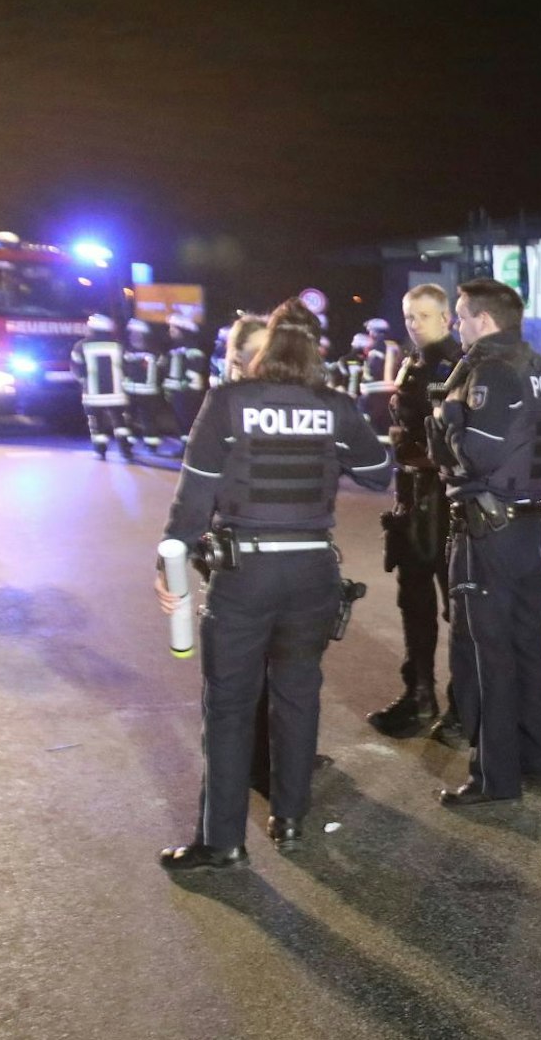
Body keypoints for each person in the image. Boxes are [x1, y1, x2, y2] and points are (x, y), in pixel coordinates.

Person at [153, 297, 394, 872]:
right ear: (318, 351)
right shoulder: (334, 406)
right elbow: (381, 474)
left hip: (246, 574)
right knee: (297, 695)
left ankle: (222, 842)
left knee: (231, 707)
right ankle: (290, 819)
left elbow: (194, 497)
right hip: (313, 573)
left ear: (264, 347)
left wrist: (170, 567)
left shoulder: (229, 402)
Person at [429, 278, 541, 805]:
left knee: (487, 655)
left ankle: (494, 779)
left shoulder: (491, 372)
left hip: (489, 529)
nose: (457, 326)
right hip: (527, 525)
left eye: (461, 316)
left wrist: (446, 420)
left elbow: (476, 455)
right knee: (531, 647)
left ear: (484, 320)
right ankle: (537, 762)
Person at [365, 285, 463, 740]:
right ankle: (420, 697)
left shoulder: (456, 365)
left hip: (445, 504)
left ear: (446, 317)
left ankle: (463, 708)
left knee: (457, 609)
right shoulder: (413, 363)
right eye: (409, 316)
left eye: (424, 315)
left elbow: (458, 443)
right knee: (414, 605)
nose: (415, 323)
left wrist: (416, 451)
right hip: (412, 502)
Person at [70, 314, 134, 460]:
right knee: (121, 423)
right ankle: (126, 451)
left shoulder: (81, 346)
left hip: (93, 395)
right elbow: (128, 367)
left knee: (97, 424)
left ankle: (100, 451)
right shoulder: (119, 345)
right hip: (117, 395)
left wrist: (83, 381)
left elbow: (76, 369)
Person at [123, 318, 181, 453]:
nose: (132, 335)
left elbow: (123, 368)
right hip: (149, 392)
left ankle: (134, 444)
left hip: (135, 391)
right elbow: (163, 369)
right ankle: (149, 444)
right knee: (146, 418)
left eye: (134, 333)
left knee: (134, 418)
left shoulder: (129, 352)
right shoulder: (155, 352)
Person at [161, 310, 209, 432]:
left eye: (174, 328)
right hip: (177, 393)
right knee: (181, 422)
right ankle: (186, 445)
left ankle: (192, 446)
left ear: (183, 330)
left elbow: (195, 371)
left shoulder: (192, 350)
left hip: (187, 393)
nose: (170, 330)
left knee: (189, 421)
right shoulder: (174, 349)